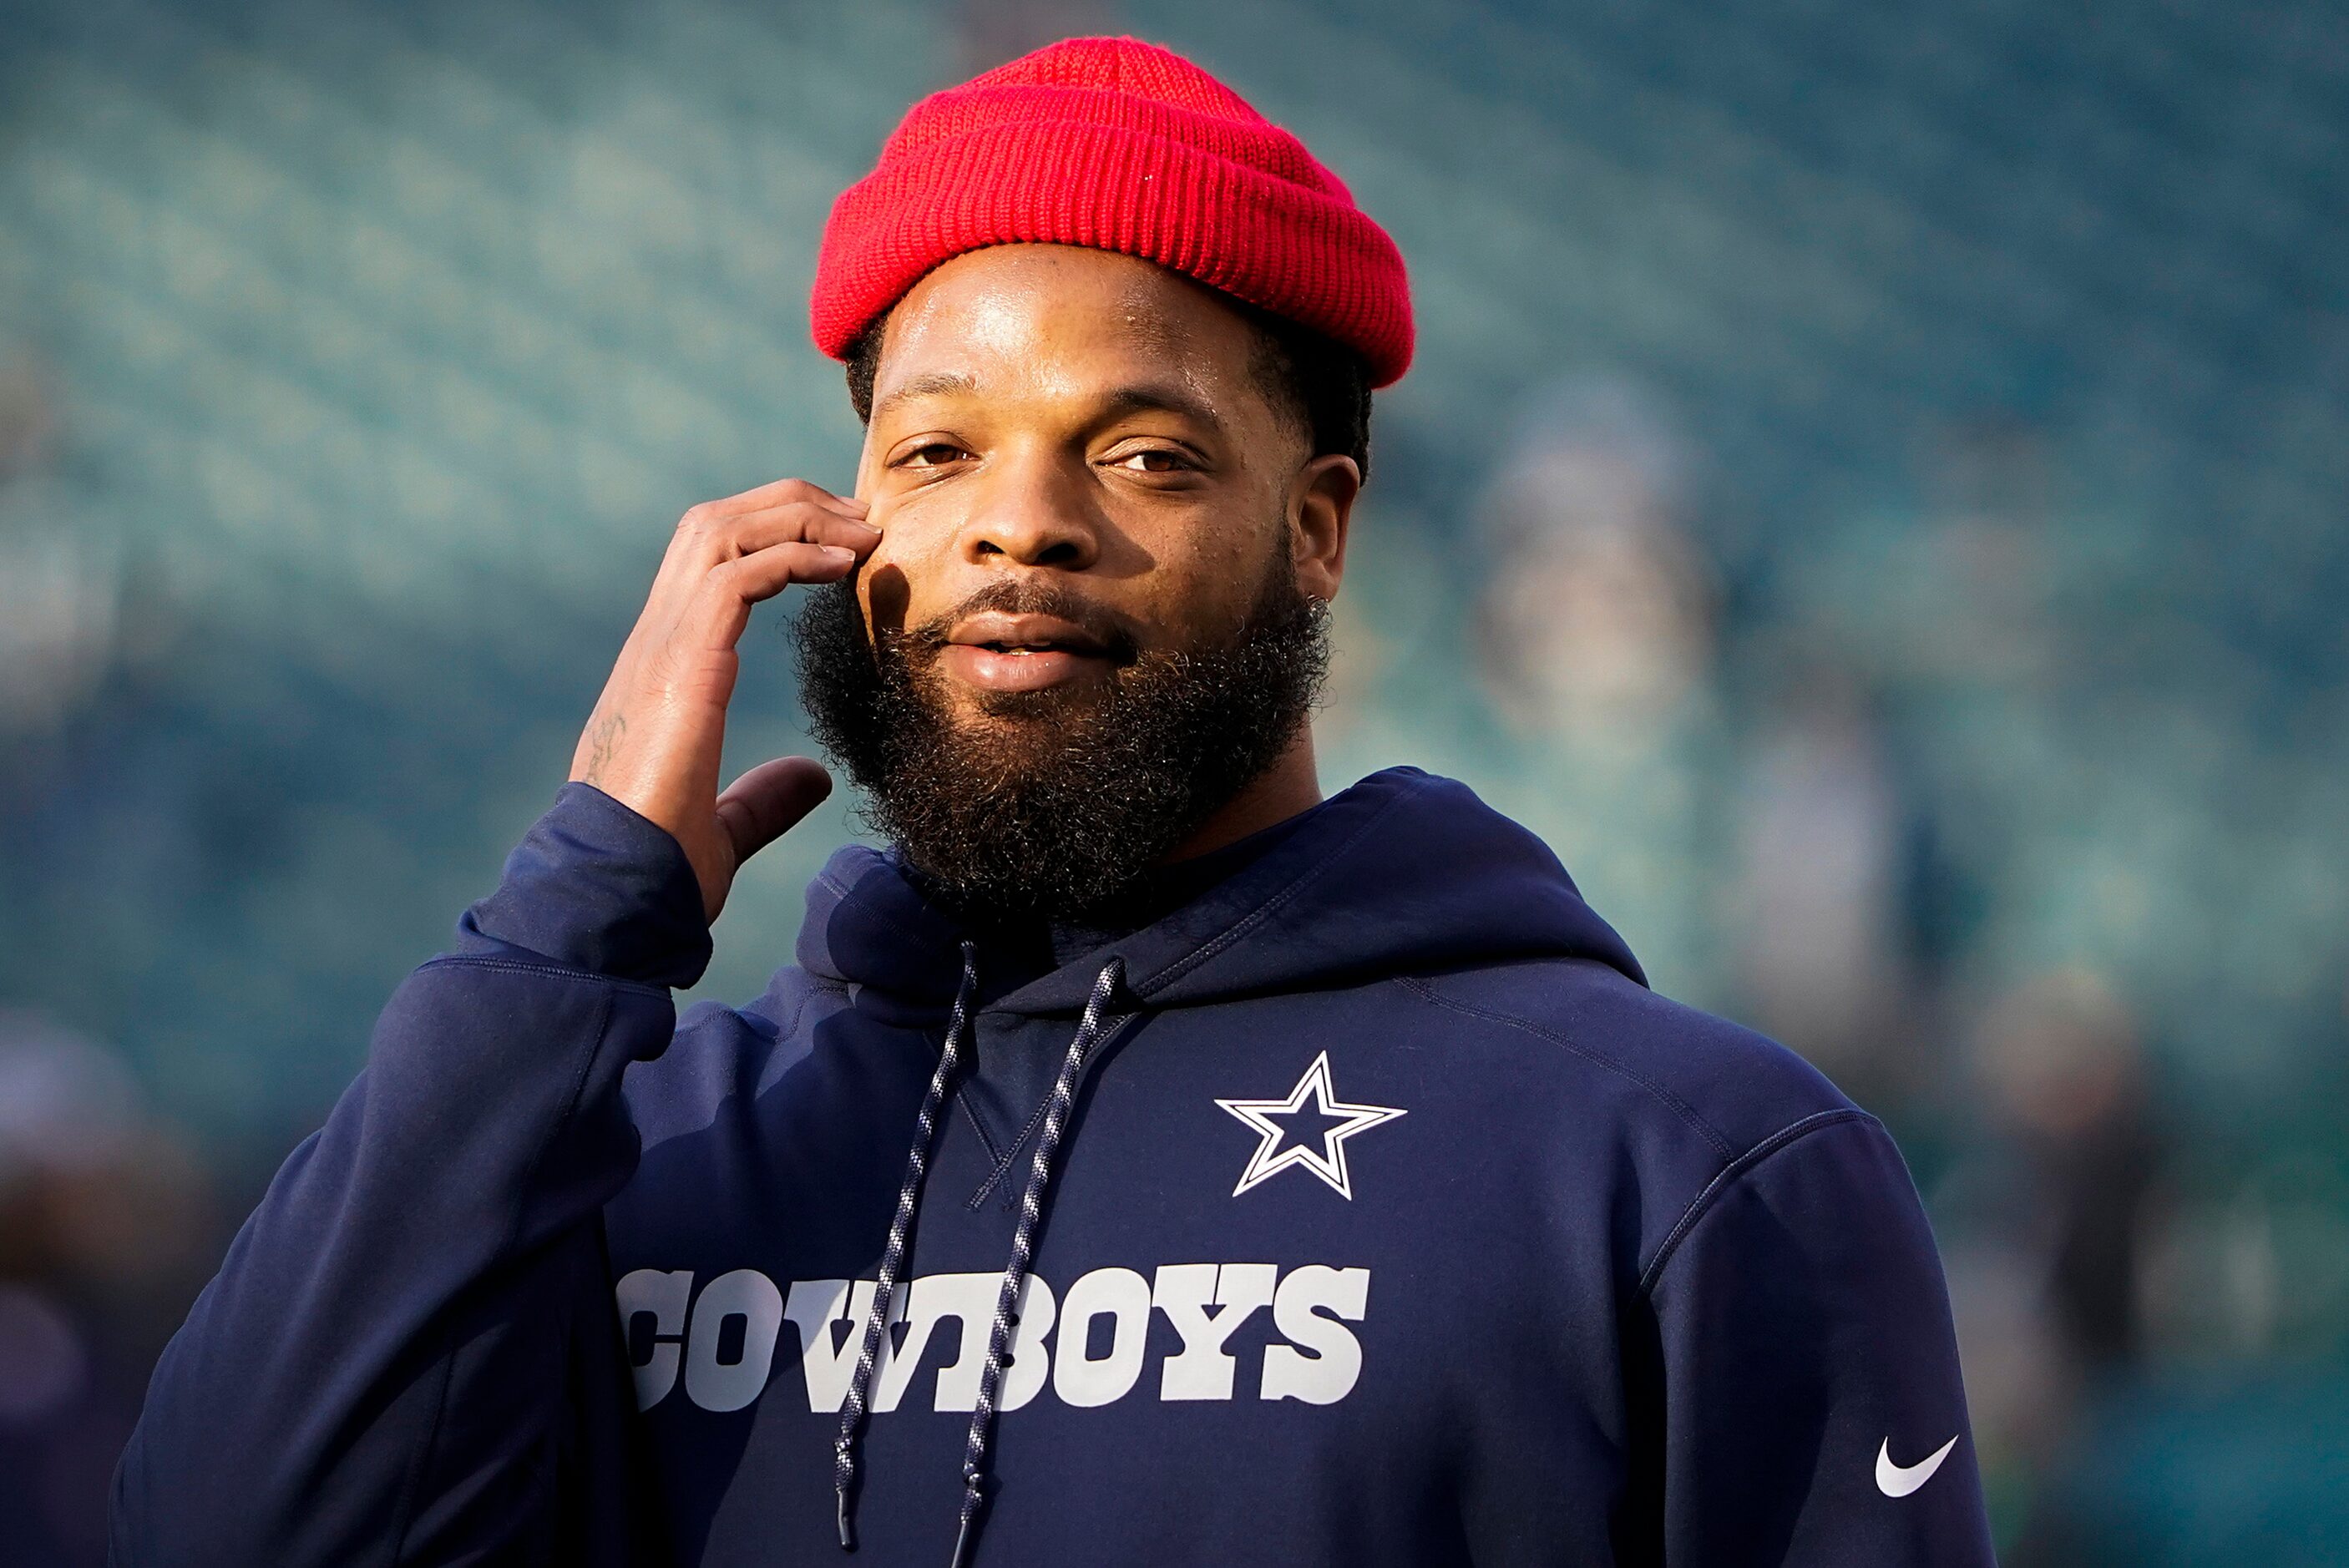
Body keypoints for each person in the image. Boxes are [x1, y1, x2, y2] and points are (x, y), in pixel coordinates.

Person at [110, 36, 1995, 1568]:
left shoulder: (1679, 1159)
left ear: (1319, 529)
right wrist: (569, 916)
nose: (1022, 518)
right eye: (937, 449)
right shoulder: (630, 1149)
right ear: (850, 520)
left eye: (1150, 453)